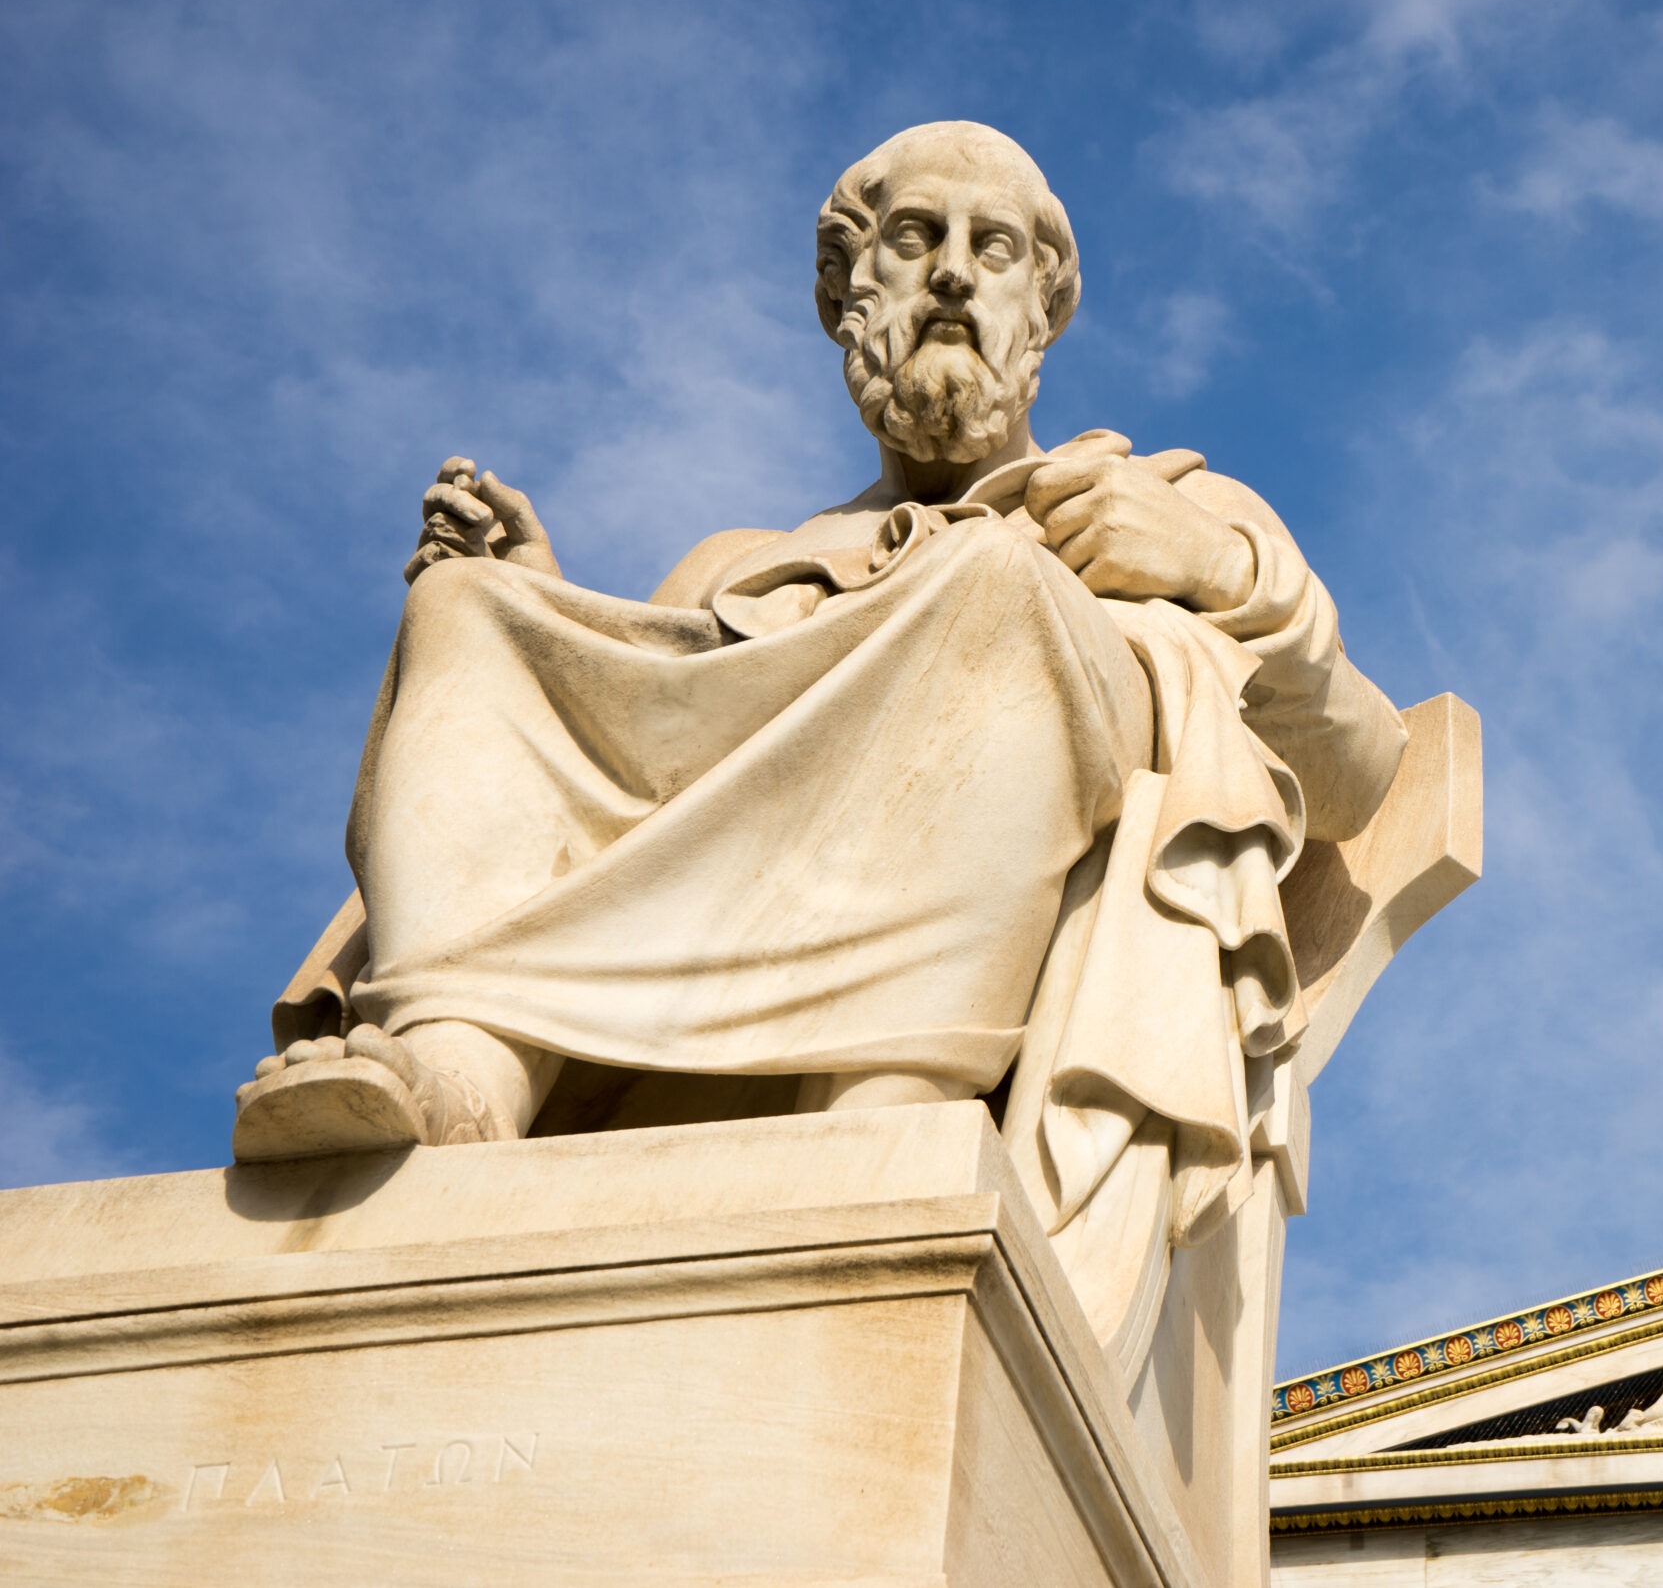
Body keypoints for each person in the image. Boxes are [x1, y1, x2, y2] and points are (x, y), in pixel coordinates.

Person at [229, 122, 1408, 1361]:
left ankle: (886, 1113)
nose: (953, 271)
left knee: (991, 579)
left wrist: (1212, 565)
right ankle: (458, 1074)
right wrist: (555, 617)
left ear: (1038, 313)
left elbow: (1358, 771)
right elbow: (645, 767)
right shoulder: (742, 567)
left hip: (978, 949)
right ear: (855, 296)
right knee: (462, 607)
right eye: (916, 239)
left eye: (990, 247)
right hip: (712, 916)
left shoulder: (1151, 499)